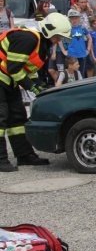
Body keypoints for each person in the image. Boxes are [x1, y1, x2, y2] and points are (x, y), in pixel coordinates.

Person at [0, 13, 72, 171]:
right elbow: (14, 68)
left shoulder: (41, 44)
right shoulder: (28, 39)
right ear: (49, 31)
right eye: (58, 36)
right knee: (1, 118)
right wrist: (32, 87)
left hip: (7, 81)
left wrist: (40, 86)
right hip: (4, 79)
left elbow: (29, 69)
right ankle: (1, 159)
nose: (59, 40)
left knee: (18, 117)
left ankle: (24, 155)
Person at [66, 9, 91, 77]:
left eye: (76, 18)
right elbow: (62, 40)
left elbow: (90, 38)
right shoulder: (68, 29)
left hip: (82, 53)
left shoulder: (82, 28)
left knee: (81, 73)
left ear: (79, 18)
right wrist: (64, 50)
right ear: (69, 19)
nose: (74, 20)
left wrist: (88, 49)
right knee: (73, 73)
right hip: (72, 54)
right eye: (72, 18)